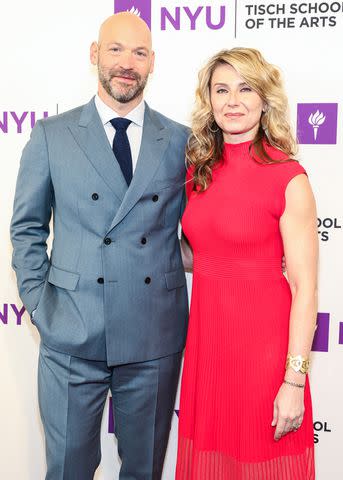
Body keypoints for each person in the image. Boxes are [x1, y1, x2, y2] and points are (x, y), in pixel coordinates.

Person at [10, 13, 189, 480]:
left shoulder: (182, 142)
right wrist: (41, 304)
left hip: (153, 335)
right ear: (94, 55)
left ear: (152, 63)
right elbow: (26, 229)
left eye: (139, 52)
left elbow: (200, 232)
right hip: (72, 330)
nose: (126, 63)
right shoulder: (52, 136)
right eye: (115, 49)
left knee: (144, 471)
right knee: (68, 469)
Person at [176, 48, 318, 479]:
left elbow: (306, 289)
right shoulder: (197, 171)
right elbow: (199, 255)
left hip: (264, 355)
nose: (232, 100)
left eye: (245, 88)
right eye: (221, 89)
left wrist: (294, 382)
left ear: (264, 99)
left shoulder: (288, 177)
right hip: (207, 352)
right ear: (209, 99)